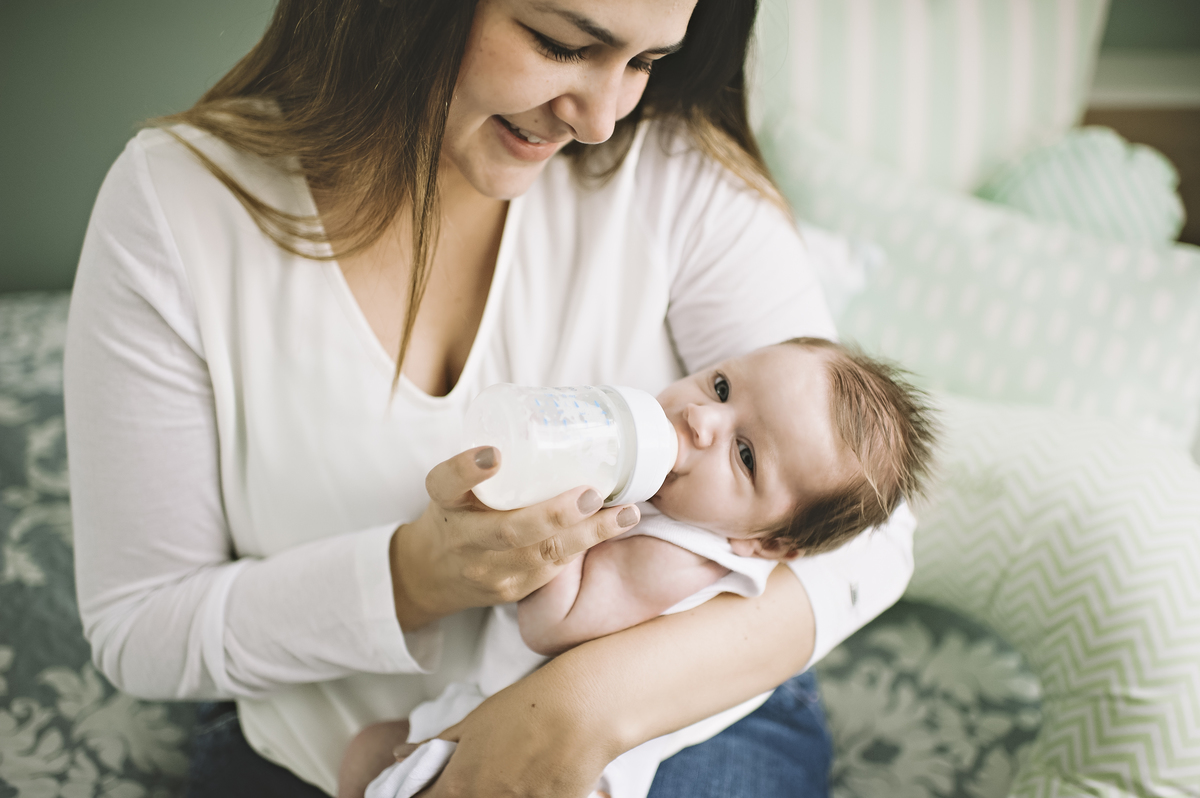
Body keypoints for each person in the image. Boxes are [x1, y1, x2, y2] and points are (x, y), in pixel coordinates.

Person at [64, 1, 919, 796]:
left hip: (680, 722)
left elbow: (866, 530)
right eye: (564, 44)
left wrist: (580, 711)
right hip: (335, 747)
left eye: (647, 61)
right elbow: (140, 627)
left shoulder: (670, 168)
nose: (602, 117)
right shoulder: (180, 209)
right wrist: (418, 575)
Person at [339, 338, 936, 798]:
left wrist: (573, 501)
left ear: (770, 545)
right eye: (722, 386)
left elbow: (552, 626)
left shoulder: (672, 555)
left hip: (571, 758)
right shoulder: (676, 506)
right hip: (506, 709)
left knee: (375, 758)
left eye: (745, 454)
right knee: (369, 752)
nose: (702, 419)